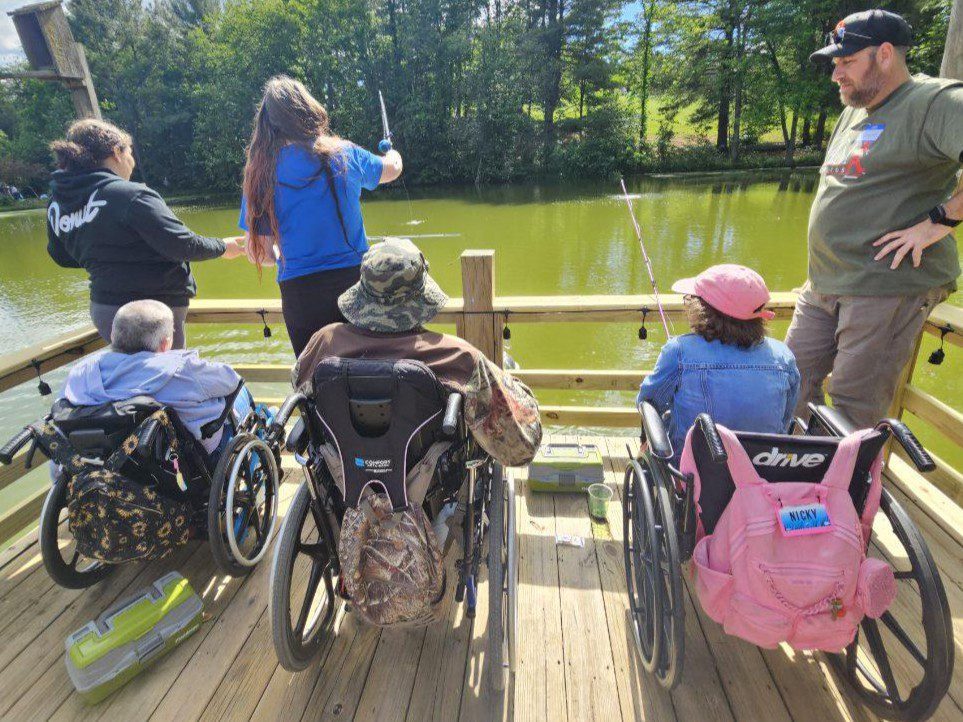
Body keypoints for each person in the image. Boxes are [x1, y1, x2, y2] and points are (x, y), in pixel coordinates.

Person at [787, 9, 962, 429]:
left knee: (851, 412)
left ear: (884, 54)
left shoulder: (935, 102)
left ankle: (842, 493)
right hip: (826, 283)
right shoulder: (855, 109)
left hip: (885, 287)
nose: (836, 75)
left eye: (846, 62)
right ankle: (795, 487)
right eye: (835, 64)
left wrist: (941, 220)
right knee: (786, 383)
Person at [292, 237, 542, 468]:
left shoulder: (325, 342)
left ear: (363, 293)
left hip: (348, 477)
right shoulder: (457, 357)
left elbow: (299, 386)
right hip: (427, 487)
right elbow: (521, 448)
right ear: (421, 297)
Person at [237, 75, 404, 357]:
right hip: (356, 288)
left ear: (266, 123)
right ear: (309, 108)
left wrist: (285, 254)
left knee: (317, 385)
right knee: (368, 374)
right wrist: (394, 153)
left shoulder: (259, 175)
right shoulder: (344, 154)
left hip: (301, 297)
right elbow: (392, 170)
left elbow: (258, 254)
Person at [46, 119, 244, 348]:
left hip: (106, 311)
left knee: (132, 378)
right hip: (153, 313)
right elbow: (182, 244)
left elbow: (61, 256)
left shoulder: (58, 203)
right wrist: (223, 247)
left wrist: (105, 260)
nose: (132, 162)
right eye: (129, 153)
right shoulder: (129, 196)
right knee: (163, 378)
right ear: (116, 153)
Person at [637, 264, 800, 461]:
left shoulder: (678, 351)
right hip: (761, 474)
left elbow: (648, 401)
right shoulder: (783, 356)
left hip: (693, 475)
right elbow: (785, 419)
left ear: (702, 310)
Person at [61, 300, 244, 458]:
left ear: (112, 336)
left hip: (108, 465)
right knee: (242, 398)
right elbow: (232, 381)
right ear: (165, 344)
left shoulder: (82, 372)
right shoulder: (180, 370)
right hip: (182, 463)